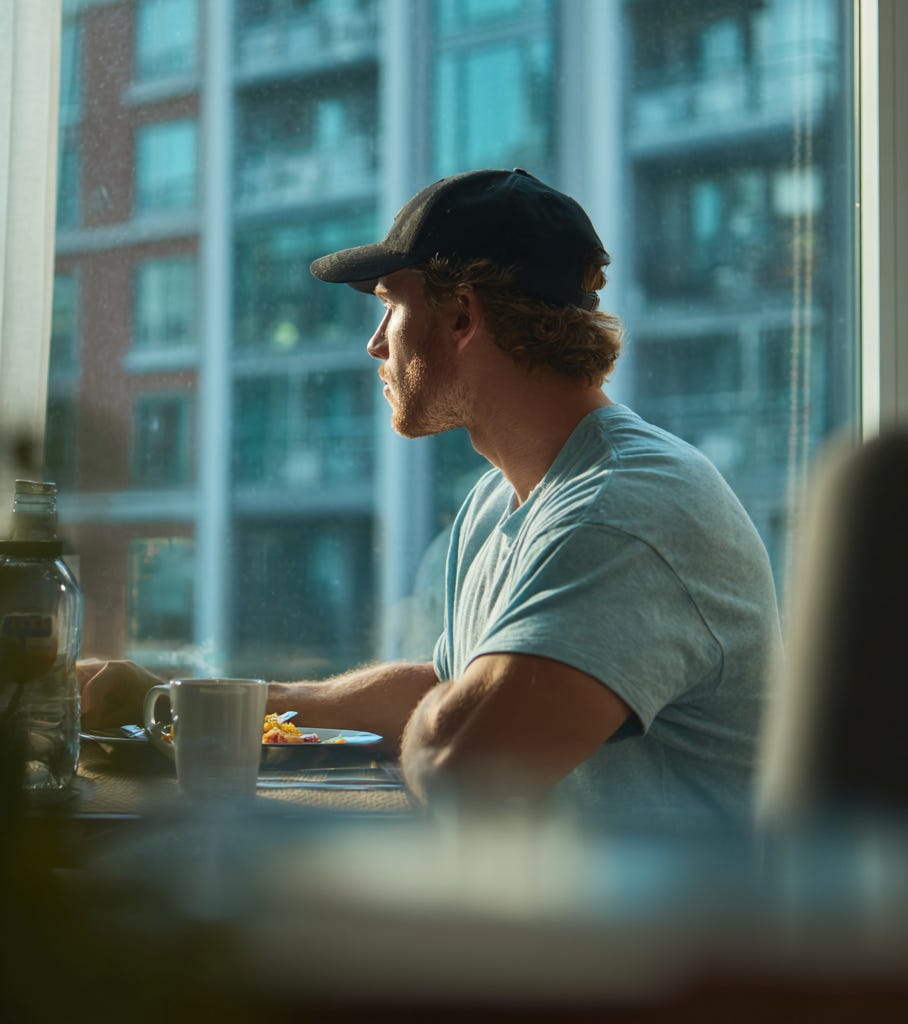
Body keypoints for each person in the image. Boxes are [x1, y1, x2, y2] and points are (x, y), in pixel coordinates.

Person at [80, 168, 781, 824]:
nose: (375, 345)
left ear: (460, 319)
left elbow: (460, 763)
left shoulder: (627, 508)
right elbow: (451, 690)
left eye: (389, 305)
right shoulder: (499, 500)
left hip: (658, 945)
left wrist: (450, 711)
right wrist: (181, 703)